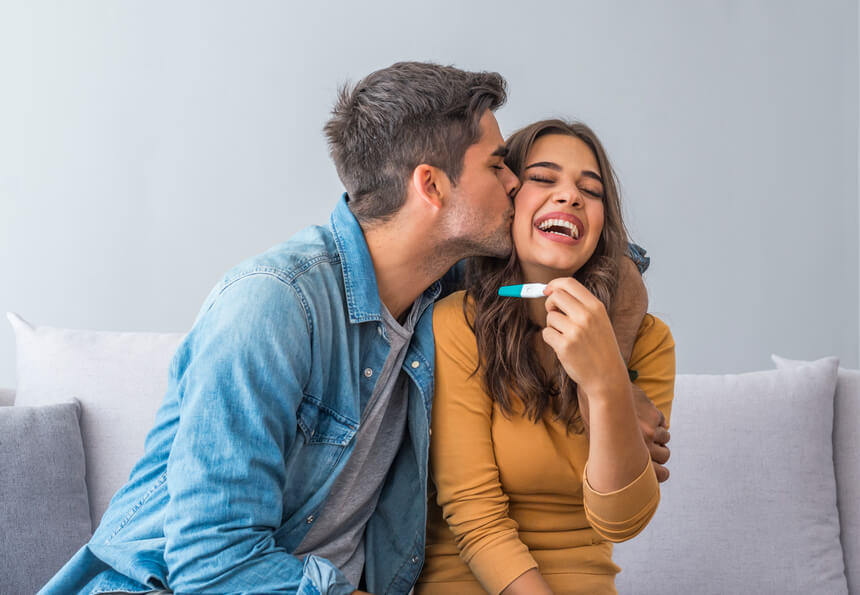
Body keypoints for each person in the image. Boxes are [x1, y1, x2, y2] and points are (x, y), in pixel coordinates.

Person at [42, 63, 666, 595]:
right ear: (432, 186)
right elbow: (213, 565)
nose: (515, 184)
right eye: (500, 166)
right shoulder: (272, 307)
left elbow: (613, 259)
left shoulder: (441, 291)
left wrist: (614, 381)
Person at [417, 119, 675, 595]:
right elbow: (475, 516)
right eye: (542, 178)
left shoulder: (649, 341)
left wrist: (606, 380)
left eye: (590, 190)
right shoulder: (457, 323)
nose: (570, 196)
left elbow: (622, 521)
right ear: (507, 200)